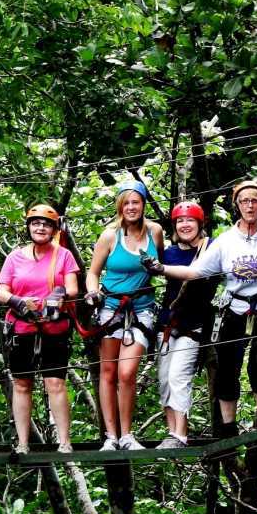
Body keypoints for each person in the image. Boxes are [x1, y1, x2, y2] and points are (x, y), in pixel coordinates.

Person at [143, 180, 257, 451]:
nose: (250, 205)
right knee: (227, 370)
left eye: (254, 200)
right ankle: (228, 430)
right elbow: (196, 272)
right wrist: (162, 269)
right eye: (244, 201)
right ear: (237, 205)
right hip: (237, 307)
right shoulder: (227, 241)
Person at [85, 180, 165, 451]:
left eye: (136, 202)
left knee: (127, 372)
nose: (131, 207)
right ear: (120, 206)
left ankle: (127, 434)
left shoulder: (155, 232)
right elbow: (93, 272)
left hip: (142, 307)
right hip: (111, 306)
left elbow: (161, 266)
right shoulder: (110, 235)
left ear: (143, 205)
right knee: (108, 371)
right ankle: (111, 436)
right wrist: (93, 292)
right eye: (126, 203)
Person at [0, 205, 80, 454]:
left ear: (54, 229)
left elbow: (73, 288)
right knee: (22, 383)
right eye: (35, 223)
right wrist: (18, 302)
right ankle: (22, 443)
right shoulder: (15, 257)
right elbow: (2, 290)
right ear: (29, 227)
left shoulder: (63, 254)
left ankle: (64, 441)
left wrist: (58, 292)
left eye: (46, 224)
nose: (40, 227)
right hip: (22, 326)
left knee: (55, 382)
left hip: (53, 325)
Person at [154, 201, 219, 449]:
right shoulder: (168, 253)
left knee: (178, 377)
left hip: (194, 324)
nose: (185, 225)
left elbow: (204, 272)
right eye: (180, 221)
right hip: (168, 323)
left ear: (200, 224)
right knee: (163, 379)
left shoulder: (210, 248)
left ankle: (180, 434)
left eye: (190, 220)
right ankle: (171, 432)